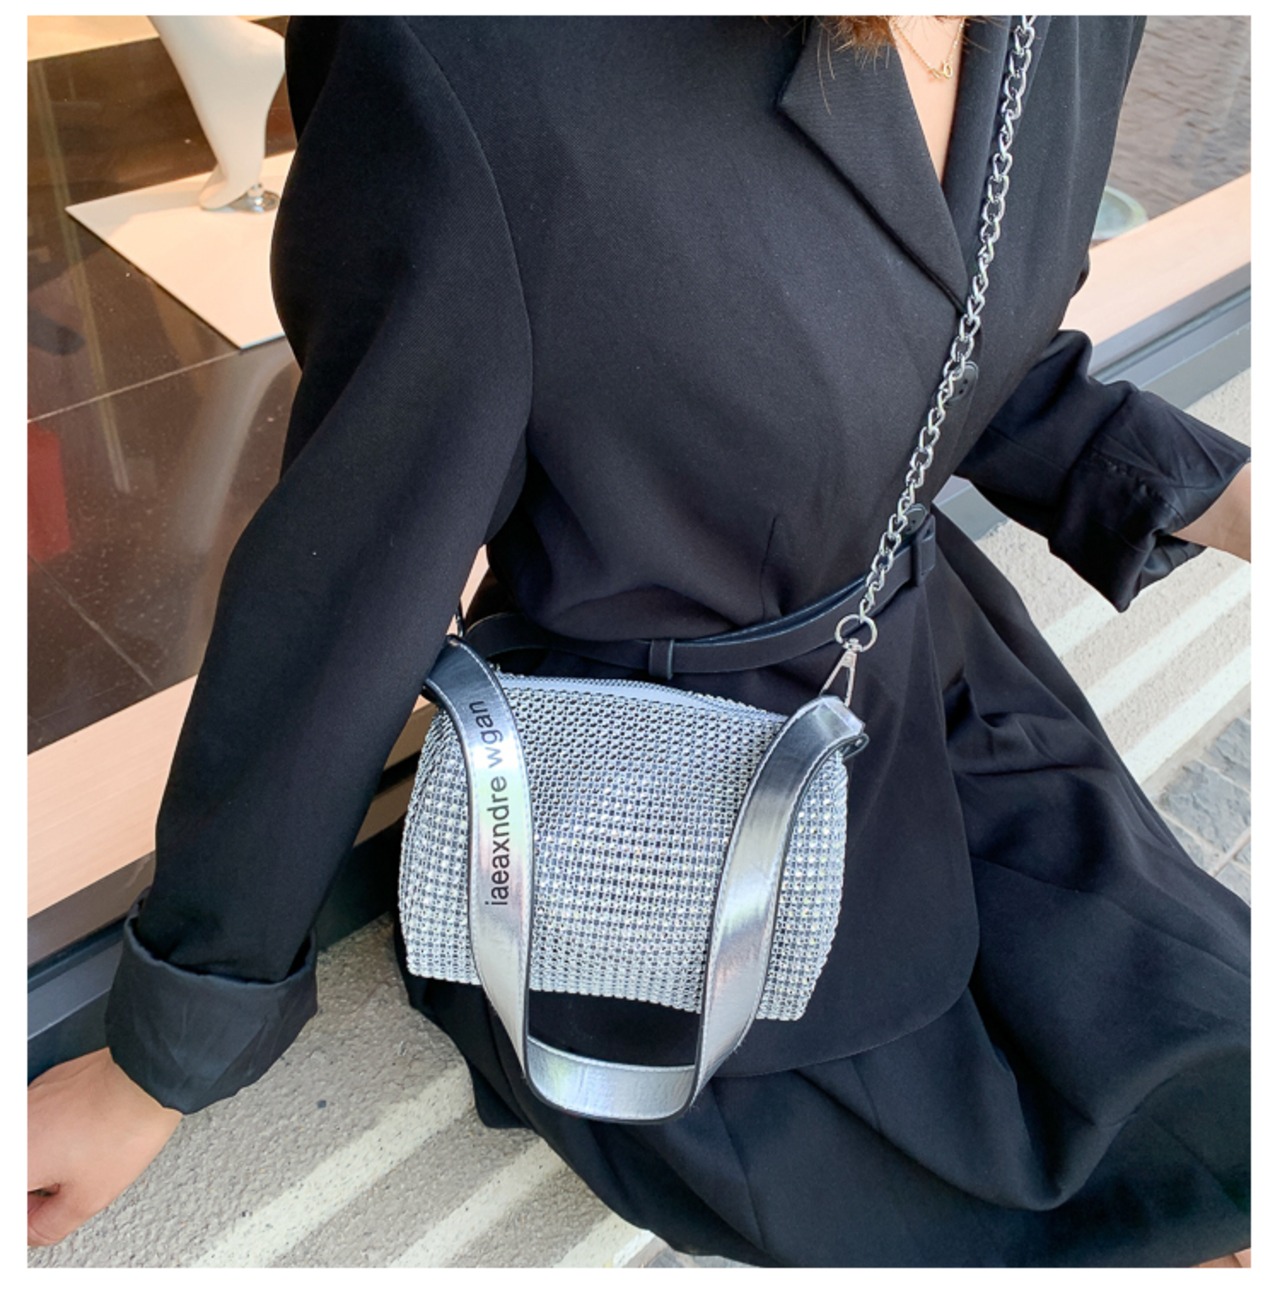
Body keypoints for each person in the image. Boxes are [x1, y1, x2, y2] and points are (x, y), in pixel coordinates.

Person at [29, 16, 1250, 1266]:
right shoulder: (480, 57)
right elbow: (353, 573)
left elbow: (963, 342)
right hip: (652, 837)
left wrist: (1223, 494)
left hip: (950, 711)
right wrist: (168, 1050)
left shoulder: (1066, 26)